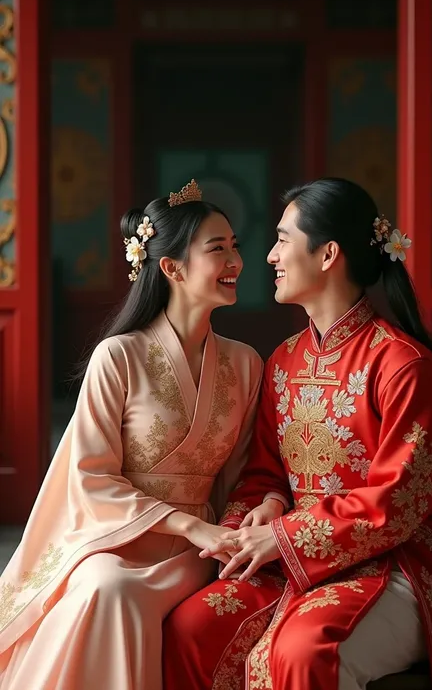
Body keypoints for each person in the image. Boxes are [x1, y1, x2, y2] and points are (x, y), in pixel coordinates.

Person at [162, 178, 432, 690]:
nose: (268, 256)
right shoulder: (284, 360)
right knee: (192, 626)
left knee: (303, 651)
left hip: (394, 567)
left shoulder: (405, 367)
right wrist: (263, 506)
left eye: (283, 239)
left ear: (328, 254)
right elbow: (265, 469)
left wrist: (282, 537)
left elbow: (397, 504)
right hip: (291, 558)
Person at [0, 179, 264, 690]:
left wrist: (233, 525)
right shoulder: (117, 357)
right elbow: (90, 477)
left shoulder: (246, 363)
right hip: (119, 537)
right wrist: (188, 527)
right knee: (105, 583)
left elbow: (244, 472)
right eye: (217, 249)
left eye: (235, 247)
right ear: (172, 268)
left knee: (112, 590)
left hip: (201, 549)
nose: (235, 261)